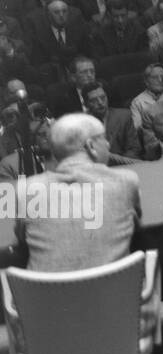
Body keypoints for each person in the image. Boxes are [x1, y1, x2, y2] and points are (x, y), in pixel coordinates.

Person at [14, 114, 141, 273]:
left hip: (48, 295)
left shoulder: (27, 190)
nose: (108, 144)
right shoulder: (126, 181)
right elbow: (136, 228)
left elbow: (21, 239)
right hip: (118, 295)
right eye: (103, 138)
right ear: (91, 146)